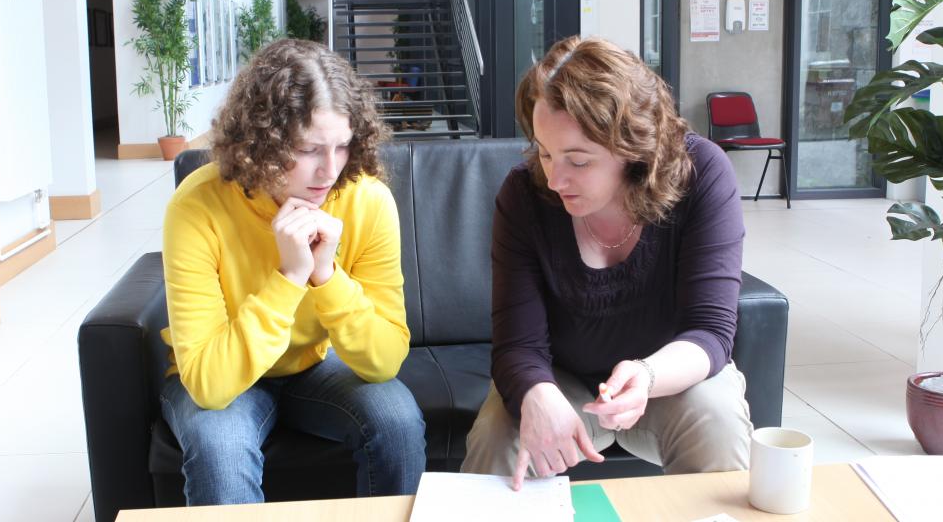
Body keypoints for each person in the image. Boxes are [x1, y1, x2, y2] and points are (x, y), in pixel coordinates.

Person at [461, 36, 753, 488]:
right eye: (545, 152)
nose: (556, 179)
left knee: (715, 418)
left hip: (668, 371)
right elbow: (517, 344)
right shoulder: (524, 195)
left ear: (633, 148)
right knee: (501, 436)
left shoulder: (702, 173)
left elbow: (711, 329)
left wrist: (648, 374)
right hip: (564, 375)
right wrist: (538, 393)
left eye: (578, 161)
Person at [158, 38, 425, 505]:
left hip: (313, 366)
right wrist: (289, 279)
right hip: (224, 369)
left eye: (342, 146)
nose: (329, 170)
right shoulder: (196, 205)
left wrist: (326, 275)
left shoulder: (367, 199)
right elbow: (208, 383)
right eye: (308, 149)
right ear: (260, 142)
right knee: (219, 447)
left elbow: (384, 361)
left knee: (397, 420)